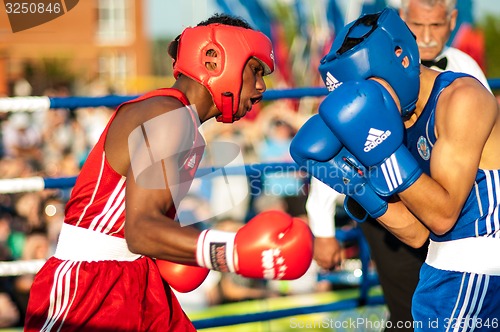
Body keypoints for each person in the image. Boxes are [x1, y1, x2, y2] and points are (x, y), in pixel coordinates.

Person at [24, 13, 314, 331]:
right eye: (255, 70)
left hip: (135, 277)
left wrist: (182, 251)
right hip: (90, 286)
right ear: (214, 59)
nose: (261, 87)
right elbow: (141, 230)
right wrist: (231, 252)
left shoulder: (181, 121)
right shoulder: (168, 114)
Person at [291, 7, 499, 331]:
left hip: (482, 268)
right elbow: (417, 234)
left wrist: (383, 154)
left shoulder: (462, 99)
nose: (361, 101)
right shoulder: (390, 119)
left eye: (364, 89)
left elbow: (443, 217)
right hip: (441, 269)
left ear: (400, 58)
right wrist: (353, 183)